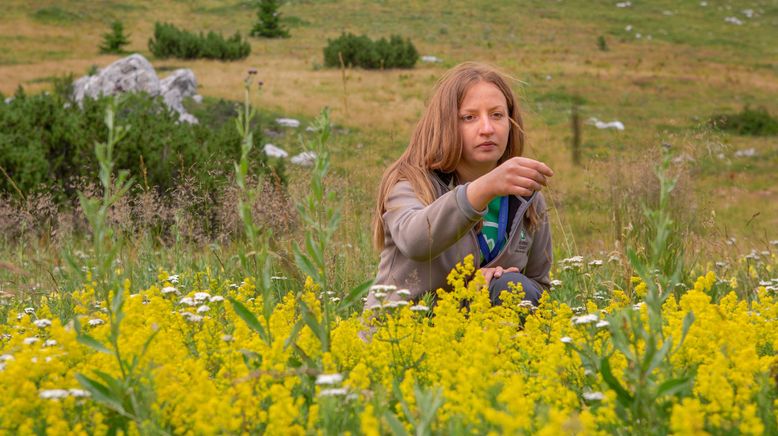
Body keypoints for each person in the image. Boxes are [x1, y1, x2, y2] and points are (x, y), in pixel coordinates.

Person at [364, 62, 554, 311]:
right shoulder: (410, 182)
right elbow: (416, 241)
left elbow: (540, 289)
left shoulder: (525, 196)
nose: (487, 129)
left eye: (497, 115)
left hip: (476, 341)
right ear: (445, 125)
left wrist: (508, 282)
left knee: (511, 286)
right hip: (402, 339)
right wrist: (485, 188)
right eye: (469, 117)